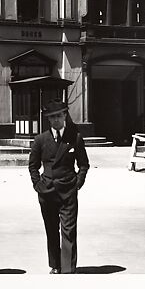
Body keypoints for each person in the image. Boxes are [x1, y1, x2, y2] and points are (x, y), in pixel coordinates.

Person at [28, 99, 90, 274]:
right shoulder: (40, 140)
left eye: (58, 116)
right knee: (51, 230)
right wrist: (37, 184)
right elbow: (33, 165)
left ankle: (68, 269)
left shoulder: (75, 137)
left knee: (69, 230)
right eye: (52, 117)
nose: (55, 120)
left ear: (64, 115)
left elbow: (84, 164)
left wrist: (77, 183)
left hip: (68, 191)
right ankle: (55, 265)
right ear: (48, 119)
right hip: (46, 192)